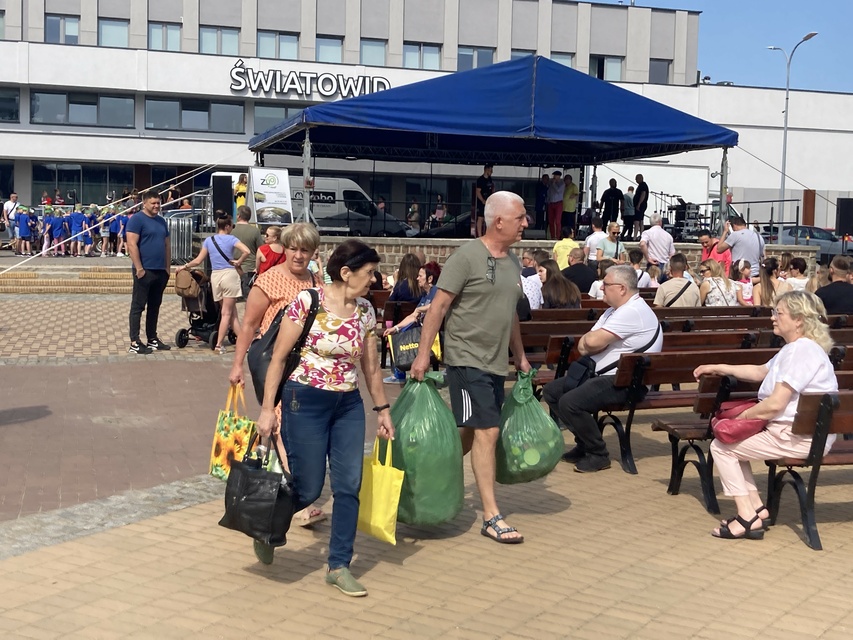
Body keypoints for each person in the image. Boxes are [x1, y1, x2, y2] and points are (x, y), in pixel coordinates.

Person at [255, 240, 394, 596]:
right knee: (309, 486)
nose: (374, 279)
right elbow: (278, 359)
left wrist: (383, 411)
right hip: (305, 400)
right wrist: (267, 409)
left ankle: (338, 565)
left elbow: (372, 370)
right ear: (345, 273)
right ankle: (267, 526)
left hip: (347, 405)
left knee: (348, 486)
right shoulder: (307, 302)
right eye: (369, 273)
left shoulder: (365, 311)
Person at [410, 191, 531, 544]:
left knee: (468, 431)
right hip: (465, 358)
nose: (526, 223)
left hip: (495, 361)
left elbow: (510, 313)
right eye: (521, 217)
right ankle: (491, 515)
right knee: (487, 431)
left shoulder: (511, 262)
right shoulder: (466, 257)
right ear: (499, 221)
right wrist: (422, 355)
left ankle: (424, 474)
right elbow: (438, 307)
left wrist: (520, 355)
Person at [693, 291, 837, 540]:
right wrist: (717, 366)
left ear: (799, 319)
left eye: (778, 313)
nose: (772, 318)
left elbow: (775, 404)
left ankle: (747, 517)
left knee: (722, 447)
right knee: (733, 446)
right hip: (805, 434)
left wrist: (740, 418)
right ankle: (757, 509)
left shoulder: (799, 351)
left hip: (798, 438)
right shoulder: (798, 349)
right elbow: (761, 371)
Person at [228, 222, 326, 528]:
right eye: (293, 248)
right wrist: (237, 365)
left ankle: (287, 489)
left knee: (299, 426)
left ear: (313, 252)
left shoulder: (315, 280)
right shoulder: (267, 281)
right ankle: (298, 500)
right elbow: (248, 326)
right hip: (273, 363)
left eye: (305, 250)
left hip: (306, 365)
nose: (298, 255)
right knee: (282, 424)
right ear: (284, 248)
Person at [544, 265, 663, 472]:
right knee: (552, 392)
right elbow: (585, 344)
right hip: (606, 376)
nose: (601, 288)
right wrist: (593, 342)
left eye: (606, 285)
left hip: (625, 382)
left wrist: (594, 342)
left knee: (570, 403)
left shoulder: (632, 312)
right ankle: (584, 442)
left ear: (622, 288)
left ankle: (598, 453)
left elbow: (591, 342)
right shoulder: (613, 311)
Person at [126, 190, 171, 354]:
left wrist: (167, 268)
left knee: (155, 306)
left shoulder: (161, 221)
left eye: (158, 203)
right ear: (144, 203)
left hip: (160, 271)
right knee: (138, 306)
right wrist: (139, 268)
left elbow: (167, 245)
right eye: (153, 203)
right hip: (144, 271)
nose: (156, 206)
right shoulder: (137, 220)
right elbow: (131, 244)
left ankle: (152, 338)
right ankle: (135, 342)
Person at [384, 261, 442, 336]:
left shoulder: (436, 291)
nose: (417, 278)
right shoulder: (425, 294)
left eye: (420, 276)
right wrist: (395, 328)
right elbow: (413, 316)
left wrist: (419, 309)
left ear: (430, 278)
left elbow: (436, 305)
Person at [230, 205, 263, 294]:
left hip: (233, 266)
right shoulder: (255, 231)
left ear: (239, 216)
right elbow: (261, 249)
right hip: (250, 268)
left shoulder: (231, 230)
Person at [475, 164, 494, 238]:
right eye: (490, 170)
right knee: (480, 218)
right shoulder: (480, 180)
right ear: (486, 169)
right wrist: (482, 200)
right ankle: (479, 235)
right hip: (482, 201)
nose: (491, 172)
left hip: (489, 201)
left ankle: (487, 234)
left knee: (488, 218)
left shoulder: (490, 179)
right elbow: (477, 191)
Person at [547, 170, 565, 241]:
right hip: (551, 203)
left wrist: (554, 183)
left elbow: (558, 190)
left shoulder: (562, 184)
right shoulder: (550, 183)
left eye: (555, 175)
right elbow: (549, 192)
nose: (554, 177)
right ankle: (552, 236)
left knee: (557, 221)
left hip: (558, 203)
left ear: (559, 176)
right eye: (553, 175)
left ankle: (558, 236)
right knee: (551, 221)